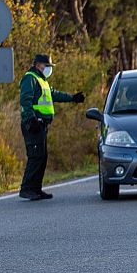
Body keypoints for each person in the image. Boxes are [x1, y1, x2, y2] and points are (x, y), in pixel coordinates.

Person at [19, 54, 85, 201]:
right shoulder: (30, 78)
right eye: (47, 66)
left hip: (42, 125)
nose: (49, 69)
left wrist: (72, 98)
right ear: (38, 65)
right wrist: (31, 120)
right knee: (35, 156)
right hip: (33, 124)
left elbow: (53, 94)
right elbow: (25, 101)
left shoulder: (42, 81)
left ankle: (36, 189)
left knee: (42, 157)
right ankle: (26, 189)